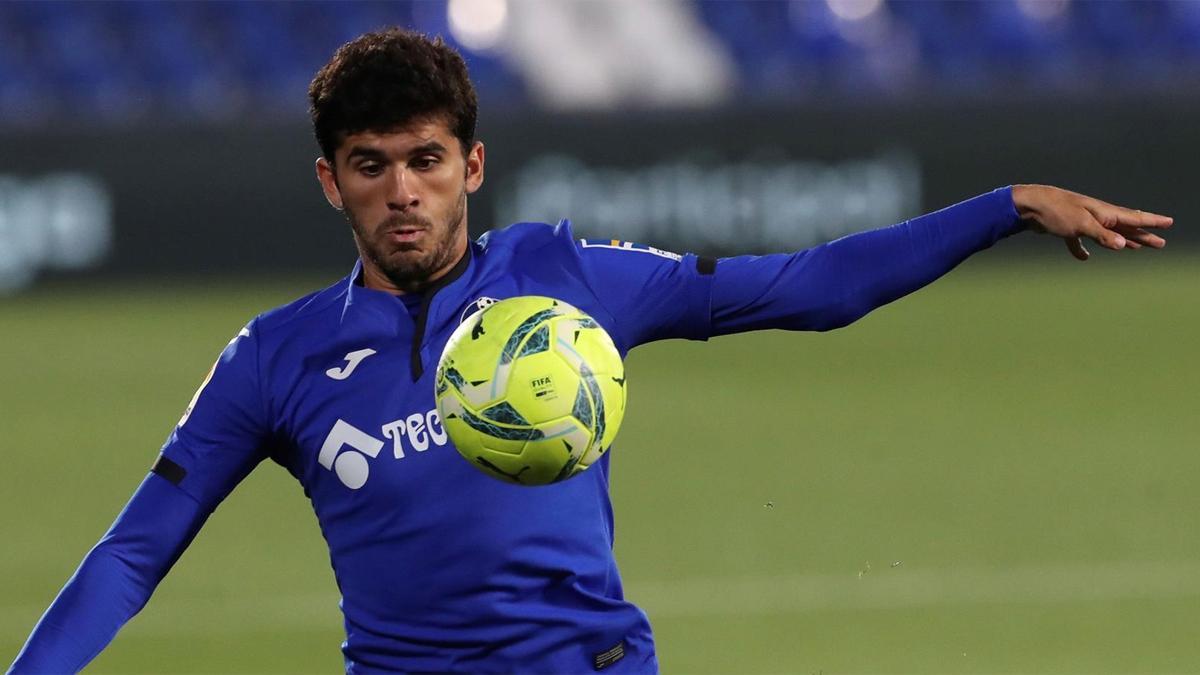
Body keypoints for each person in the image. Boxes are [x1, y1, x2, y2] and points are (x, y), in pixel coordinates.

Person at [8, 28, 1171, 675]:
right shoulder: (275, 358)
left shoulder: (568, 277)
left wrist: (1003, 203)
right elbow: (131, 555)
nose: (401, 193)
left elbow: (806, 289)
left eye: (424, 159)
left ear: (472, 164)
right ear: (331, 181)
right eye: (371, 165)